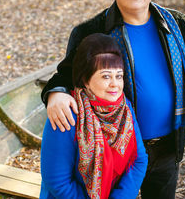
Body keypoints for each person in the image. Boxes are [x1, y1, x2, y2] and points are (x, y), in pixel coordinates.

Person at [41, 0, 185, 198]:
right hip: (114, 150)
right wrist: (55, 94)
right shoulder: (91, 30)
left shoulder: (179, 27)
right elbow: (68, 76)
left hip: (166, 146)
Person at [40, 33, 148, 199]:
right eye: (106, 76)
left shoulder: (124, 108)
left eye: (118, 76)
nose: (115, 84)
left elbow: (139, 160)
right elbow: (57, 181)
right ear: (85, 80)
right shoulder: (67, 113)